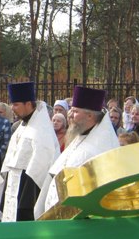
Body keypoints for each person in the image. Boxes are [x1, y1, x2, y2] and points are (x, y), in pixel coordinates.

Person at [34, 86, 119, 219]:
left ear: (90, 115)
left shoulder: (101, 146)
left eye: (75, 111)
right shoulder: (79, 136)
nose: (70, 115)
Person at [0, 83, 59, 222]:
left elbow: (42, 164)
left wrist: (26, 198)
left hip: (29, 190)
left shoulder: (41, 129)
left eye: (16, 104)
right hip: (15, 183)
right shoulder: (22, 125)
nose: (12, 108)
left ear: (28, 104)